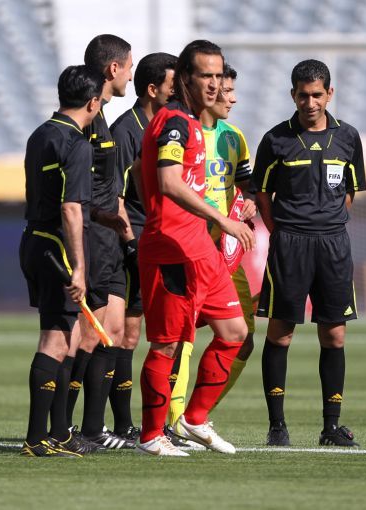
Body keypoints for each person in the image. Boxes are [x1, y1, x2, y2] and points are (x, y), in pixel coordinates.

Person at [132, 39, 255, 456]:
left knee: (235, 332)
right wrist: (221, 219)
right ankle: (151, 436)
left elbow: (140, 168)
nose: (215, 84)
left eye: (219, 75)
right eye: (206, 75)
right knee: (167, 343)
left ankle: (195, 418)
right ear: (185, 77)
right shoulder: (175, 122)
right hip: (172, 249)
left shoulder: (192, 122)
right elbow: (168, 182)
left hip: (198, 246)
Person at [251, 59, 366, 447]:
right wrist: (282, 231)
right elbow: (262, 194)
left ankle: (331, 427)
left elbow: (349, 192)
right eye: (303, 95)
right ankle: (277, 426)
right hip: (290, 245)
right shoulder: (275, 139)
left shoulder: (348, 137)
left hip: (333, 245)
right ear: (293, 95)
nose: (310, 102)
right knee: (281, 333)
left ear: (329, 94)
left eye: (317, 95)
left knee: (334, 336)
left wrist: (326, 222)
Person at [18, 65, 105, 457]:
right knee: (54, 339)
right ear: (93, 102)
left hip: (34, 240)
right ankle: (37, 439)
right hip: (56, 247)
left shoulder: (40, 134)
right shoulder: (77, 143)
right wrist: (79, 267)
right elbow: (71, 209)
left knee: (65, 337)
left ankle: (59, 433)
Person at [168, 63, 257, 420]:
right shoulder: (182, 133)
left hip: (225, 251)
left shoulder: (234, 137)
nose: (232, 99)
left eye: (233, 91)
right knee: (180, 337)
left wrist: (249, 202)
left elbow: (245, 187)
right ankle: (172, 421)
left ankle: (197, 417)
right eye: (226, 92)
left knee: (243, 338)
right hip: (189, 246)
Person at [63, 34, 135, 450]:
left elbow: (110, 187)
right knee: (89, 334)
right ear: (114, 69)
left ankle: (91, 428)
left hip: (108, 238)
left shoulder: (103, 115)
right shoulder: (86, 117)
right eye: (129, 67)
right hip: (92, 237)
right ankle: (63, 426)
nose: (130, 75)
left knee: (110, 331)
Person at [107, 51, 177, 443]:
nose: (178, 91)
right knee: (128, 334)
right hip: (137, 241)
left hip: (165, 241)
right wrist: (132, 244)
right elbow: (115, 197)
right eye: (172, 85)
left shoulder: (172, 125)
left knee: (166, 335)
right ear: (152, 89)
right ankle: (120, 424)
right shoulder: (126, 131)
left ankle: (156, 421)